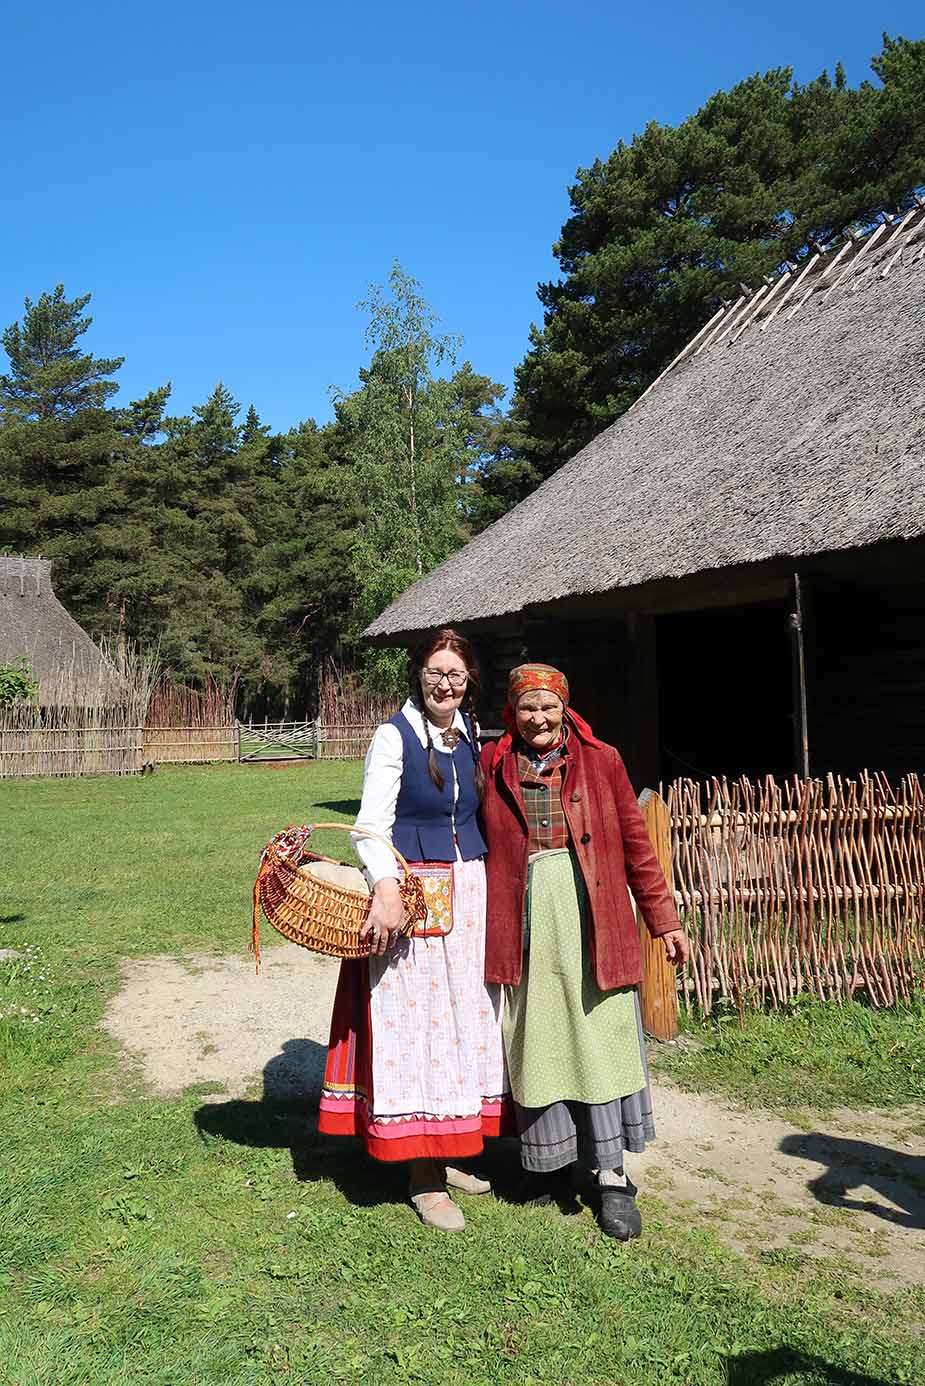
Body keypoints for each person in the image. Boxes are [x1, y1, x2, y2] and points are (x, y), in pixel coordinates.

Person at [480, 663, 689, 1240]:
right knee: (538, 1036)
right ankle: (551, 1165)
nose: (538, 718)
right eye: (527, 708)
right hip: (523, 916)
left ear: (566, 708)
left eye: (548, 707)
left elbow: (637, 847)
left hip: (591, 914)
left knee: (599, 1040)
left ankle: (612, 1176)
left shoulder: (602, 760)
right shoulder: (492, 762)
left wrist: (664, 920)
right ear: (512, 713)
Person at [317, 629, 509, 1231]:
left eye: (456, 675)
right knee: (417, 1028)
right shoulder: (392, 737)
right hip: (415, 897)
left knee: (460, 1020)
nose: (445, 685)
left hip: (468, 893)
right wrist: (385, 888)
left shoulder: (470, 734)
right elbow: (369, 825)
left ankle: (448, 1150)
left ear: (468, 681)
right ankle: (421, 1174)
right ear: (417, 677)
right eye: (435, 674)